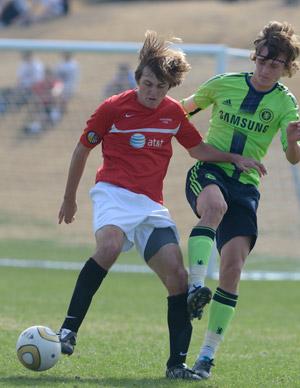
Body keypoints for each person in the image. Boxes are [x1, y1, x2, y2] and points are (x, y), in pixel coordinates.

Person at [57, 30, 265, 381]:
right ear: (138, 78)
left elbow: (197, 149)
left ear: (169, 88)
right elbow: (82, 149)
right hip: (113, 193)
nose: (153, 93)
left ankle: (176, 365)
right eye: (149, 84)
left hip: (151, 205)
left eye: (161, 87)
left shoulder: (172, 113)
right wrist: (69, 198)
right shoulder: (113, 108)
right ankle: (68, 330)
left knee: (178, 277)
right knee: (107, 246)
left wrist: (234, 157)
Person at [181, 20, 300, 379]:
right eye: (262, 61)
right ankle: (196, 287)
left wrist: (293, 140)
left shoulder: (285, 103)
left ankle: (206, 357)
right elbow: (180, 112)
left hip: (246, 188)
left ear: (286, 68)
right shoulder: (223, 84)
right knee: (214, 206)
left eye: (274, 65)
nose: (265, 69)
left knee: (232, 270)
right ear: (255, 57)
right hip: (209, 172)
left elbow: (292, 157)